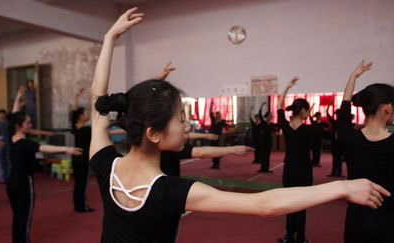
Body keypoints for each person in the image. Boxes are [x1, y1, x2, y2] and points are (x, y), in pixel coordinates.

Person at [89, 9, 390, 243]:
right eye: (180, 118)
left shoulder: (104, 165)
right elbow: (265, 204)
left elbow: (96, 99)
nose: (186, 124)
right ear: (153, 133)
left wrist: (109, 39)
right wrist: (341, 186)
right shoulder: (169, 191)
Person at [338, 60, 394, 243]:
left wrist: (353, 76)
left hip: (356, 222)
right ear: (387, 108)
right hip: (387, 222)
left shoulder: (350, 137)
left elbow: (344, 111)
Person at [6, 111, 81, 243]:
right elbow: (44, 148)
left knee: (17, 217)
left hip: (11, 182)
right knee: (24, 218)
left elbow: (13, 116)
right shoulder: (25, 143)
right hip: (23, 183)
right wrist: (66, 149)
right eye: (28, 123)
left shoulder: (11, 138)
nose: (31, 125)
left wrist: (18, 98)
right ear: (19, 126)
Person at [277, 77, 315, 243]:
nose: (309, 113)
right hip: (304, 172)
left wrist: (286, 88)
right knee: (302, 207)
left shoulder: (286, 127)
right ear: (303, 111)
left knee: (289, 206)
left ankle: (289, 238)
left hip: (289, 171)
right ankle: (301, 239)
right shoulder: (309, 130)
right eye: (308, 110)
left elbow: (279, 107)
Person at [71, 88, 95, 212]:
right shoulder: (86, 129)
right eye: (86, 113)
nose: (88, 115)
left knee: (78, 183)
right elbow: (100, 133)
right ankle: (82, 207)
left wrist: (76, 95)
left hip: (75, 158)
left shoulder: (75, 127)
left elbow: (73, 110)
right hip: (83, 159)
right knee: (83, 183)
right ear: (81, 116)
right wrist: (117, 130)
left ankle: (78, 205)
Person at [209, 101, 234, 169]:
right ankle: (214, 164)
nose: (219, 115)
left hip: (218, 137)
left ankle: (217, 164)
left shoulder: (222, 121)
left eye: (220, 114)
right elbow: (210, 112)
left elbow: (228, 125)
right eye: (218, 114)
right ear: (216, 115)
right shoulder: (213, 119)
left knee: (217, 150)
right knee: (212, 150)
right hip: (212, 137)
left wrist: (233, 125)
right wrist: (211, 105)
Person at [258, 101, 279, 173]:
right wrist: (261, 106)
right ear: (267, 117)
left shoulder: (272, 124)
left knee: (267, 156)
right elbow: (260, 114)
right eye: (270, 115)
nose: (272, 116)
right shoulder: (263, 123)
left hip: (269, 141)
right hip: (263, 141)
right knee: (263, 155)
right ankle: (262, 168)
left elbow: (277, 127)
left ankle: (266, 168)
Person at [326, 99, 344, 177]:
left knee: (337, 158)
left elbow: (327, 113)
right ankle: (336, 173)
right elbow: (327, 113)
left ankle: (337, 172)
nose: (337, 115)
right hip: (337, 142)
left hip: (338, 142)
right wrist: (329, 104)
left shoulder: (340, 123)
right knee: (337, 158)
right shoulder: (337, 122)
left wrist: (330, 103)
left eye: (337, 114)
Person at [0, 109, 11, 183]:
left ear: (5, 114)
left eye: (2, 114)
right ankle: (3, 178)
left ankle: (9, 177)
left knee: (8, 161)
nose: (1, 115)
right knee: (0, 161)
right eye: (0, 114)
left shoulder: (9, 123)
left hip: (8, 144)